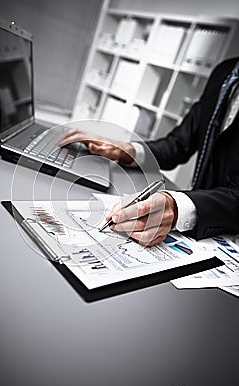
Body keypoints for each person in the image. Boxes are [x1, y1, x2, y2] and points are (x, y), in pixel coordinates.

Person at [60, 57, 239, 246]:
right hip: (196, 235)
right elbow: (177, 145)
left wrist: (179, 207)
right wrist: (128, 150)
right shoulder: (225, 72)